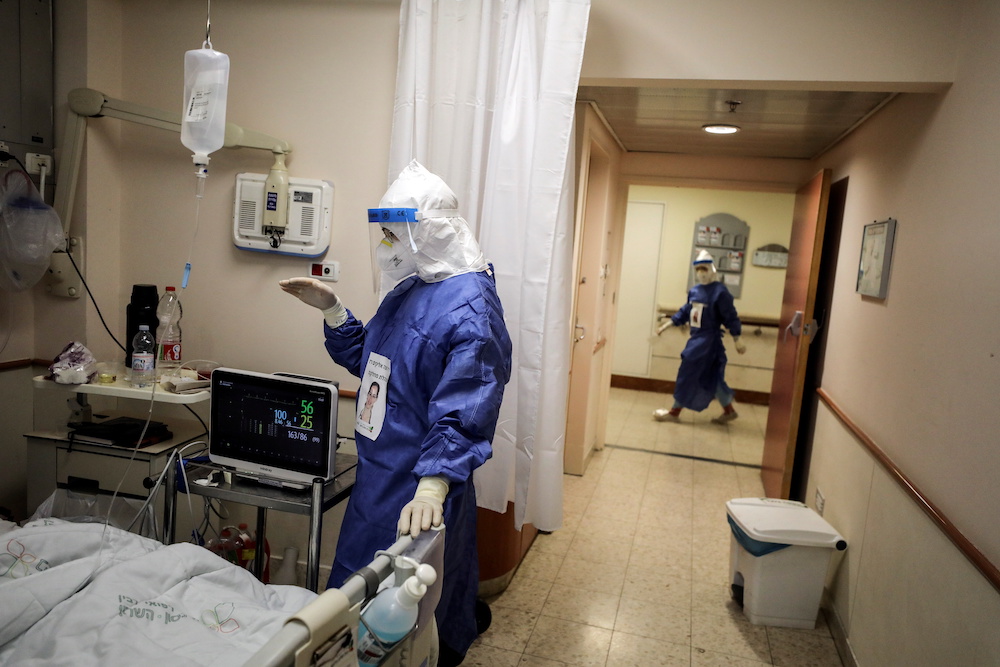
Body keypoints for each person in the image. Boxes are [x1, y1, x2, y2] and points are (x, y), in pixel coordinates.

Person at [279, 160, 512, 666]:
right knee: (353, 604)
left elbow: (468, 403)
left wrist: (432, 486)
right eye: (382, 233)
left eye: (391, 233)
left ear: (424, 232)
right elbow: (375, 366)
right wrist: (333, 310)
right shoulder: (413, 286)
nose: (385, 244)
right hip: (376, 483)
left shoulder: (470, 306)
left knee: (413, 613)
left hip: (419, 490)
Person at [653, 249, 746, 424]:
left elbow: (730, 315)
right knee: (712, 377)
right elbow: (686, 310)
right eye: (698, 270)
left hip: (708, 341)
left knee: (687, 373)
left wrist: (737, 337)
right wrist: (668, 324)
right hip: (696, 339)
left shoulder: (720, 292)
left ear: (712, 269)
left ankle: (674, 412)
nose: (701, 273)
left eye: (704, 268)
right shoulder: (695, 291)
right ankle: (729, 410)